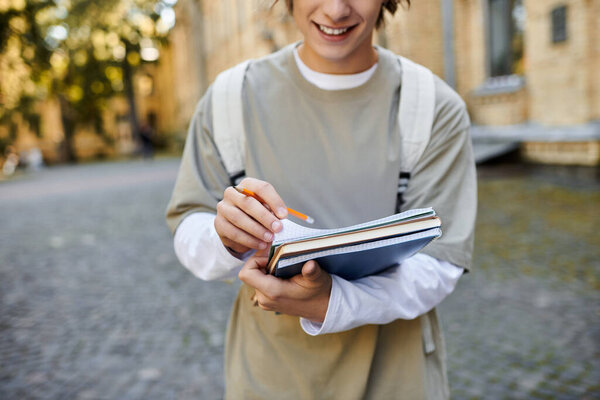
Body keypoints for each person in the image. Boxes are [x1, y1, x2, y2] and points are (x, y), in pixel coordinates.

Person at [166, 0, 476, 398]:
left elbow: (440, 262)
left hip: (395, 377)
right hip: (267, 378)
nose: (335, 9)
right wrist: (224, 237)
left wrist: (331, 302)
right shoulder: (230, 99)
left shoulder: (433, 107)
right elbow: (189, 225)